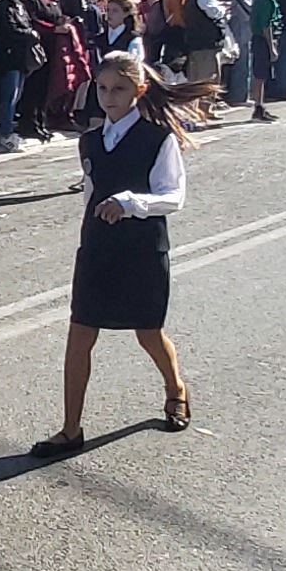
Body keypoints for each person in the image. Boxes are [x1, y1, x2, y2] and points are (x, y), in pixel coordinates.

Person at [28, 53, 195, 459]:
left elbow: (173, 196)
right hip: (99, 249)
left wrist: (131, 202)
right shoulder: (89, 140)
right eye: (102, 88)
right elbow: (90, 190)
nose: (108, 97)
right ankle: (70, 429)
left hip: (141, 249)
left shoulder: (158, 138)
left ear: (139, 90)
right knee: (79, 334)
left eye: (118, 88)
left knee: (148, 333)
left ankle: (176, 390)